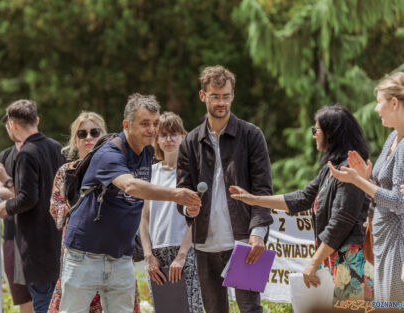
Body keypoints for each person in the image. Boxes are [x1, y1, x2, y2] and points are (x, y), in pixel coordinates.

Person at [60, 93, 201, 313]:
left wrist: (188, 204)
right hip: (85, 255)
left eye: (155, 123)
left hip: (121, 257)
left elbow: (154, 190)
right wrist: (176, 195)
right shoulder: (109, 153)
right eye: (145, 124)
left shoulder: (146, 151)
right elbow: (131, 187)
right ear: (127, 124)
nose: (152, 130)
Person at [230, 105, 373, 301]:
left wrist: (314, 262)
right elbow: (301, 199)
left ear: (331, 134)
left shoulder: (350, 170)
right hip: (335, 261)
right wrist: (252, 198)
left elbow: (340, 223)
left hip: (351, 263)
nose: (313, 135)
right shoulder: (331, 170)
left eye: (316, 130)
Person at [176, 65, 273, 313]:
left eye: (226, 96)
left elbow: (263, 190)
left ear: (233, 95)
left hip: (244, 242)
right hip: (204, 244)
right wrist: (188, 207)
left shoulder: (252, 135)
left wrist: (258, 233)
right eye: (215, 96)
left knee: (251, 309)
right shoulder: (190, 141)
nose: (222, 102)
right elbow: (181, 192)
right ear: (203, 96)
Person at [328, 72, 404, 301]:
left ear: (394, 103)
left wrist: (357, 181)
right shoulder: (392, 138)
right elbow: (384, 191)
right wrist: (366, 179)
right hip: (382, 241)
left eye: (379, 102)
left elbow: (398, 202)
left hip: (396, 243)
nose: (375, 109)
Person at [0, 99, 64, 313]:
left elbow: (27, 197)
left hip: (36, 244)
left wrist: (6, 206)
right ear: (37, 120)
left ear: (12, 125)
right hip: (58, 238)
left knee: (42, 303)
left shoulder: (26, 153)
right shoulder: (57, 147)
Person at [139, 112, 204, 313]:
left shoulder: (193, 173)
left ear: (183, 137)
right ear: (156, 139)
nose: (169, 139)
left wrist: (182, 255)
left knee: (191, 309)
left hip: (186, 250)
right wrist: (148, 255)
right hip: (156, 256)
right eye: (163, 135)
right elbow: (144, 218)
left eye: (174, 134)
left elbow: (198, 217)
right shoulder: (150, 173)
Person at [48, 111, 107, 313]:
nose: (89, 138)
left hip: (108, 254)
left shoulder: (114, 169)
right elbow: (55, 210)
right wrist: (75, 205)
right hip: (75, 253)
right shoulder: (66, 171)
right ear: (75, 139)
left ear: (103, 135)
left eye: (94, 132)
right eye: (82, 134)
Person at [0, 114, 34, 313]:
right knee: (21, 295)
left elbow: (34, 193)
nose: (12, 127)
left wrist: (11, 188)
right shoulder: (5, 155)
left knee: (42, 293)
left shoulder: (38, 151)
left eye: (15, 122)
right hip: (10, 233)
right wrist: (18, 191)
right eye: (8, 123)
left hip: (36, 234)